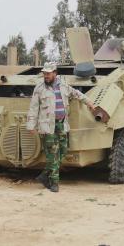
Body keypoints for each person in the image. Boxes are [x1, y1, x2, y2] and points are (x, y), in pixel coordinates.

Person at [26, 62, 95, 192]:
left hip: (62, 124)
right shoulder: (39, 88)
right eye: (44, 73)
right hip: (47, 126)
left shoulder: (63, 86)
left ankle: (44, 175)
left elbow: (76, 94)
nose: (45, 76)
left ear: (54, 73)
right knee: (52, 155)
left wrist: (89, 103)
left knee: (62, 151)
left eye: (48, 73)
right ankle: (54, 183)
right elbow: (33, 108)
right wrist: (31, 125)